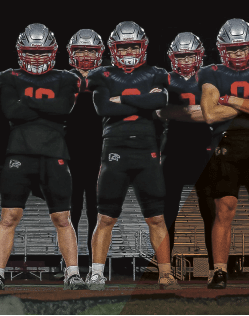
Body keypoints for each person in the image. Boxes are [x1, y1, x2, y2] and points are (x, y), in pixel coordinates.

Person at [0, 23, 85, 291]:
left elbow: (63, 108)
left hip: (54, 154)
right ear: (21, 51)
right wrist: (48, 109)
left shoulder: (66, 77)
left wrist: (27, 103)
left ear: (52, 52)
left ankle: (73, 274)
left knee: (63, 218)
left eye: (42, 52)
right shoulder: (9, 76)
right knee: (8, 217)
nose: (37, 57)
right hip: (19, 153)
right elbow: (10, 110)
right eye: (32, 52)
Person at [86, 21, 180, 290]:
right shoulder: (102, 74)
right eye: (123, 46)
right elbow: (103, 107)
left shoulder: (156, 73)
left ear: (143, 46)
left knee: (157, 217)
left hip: (147, 150)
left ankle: (165, 274)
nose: (128, 50)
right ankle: (96, 274)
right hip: (114, 150)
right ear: (113, 48)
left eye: (133, 45)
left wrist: (123, 99)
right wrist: (141, 98)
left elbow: (160, 101)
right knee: (105, 217)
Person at [197, 18, 249, 289]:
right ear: (221, 49)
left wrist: (228, 98)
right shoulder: (210, 72)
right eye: (232, 49)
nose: (238, 54)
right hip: (224, 142)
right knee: (224, 208)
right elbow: (210, 113)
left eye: (242, 48)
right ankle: (219, 271)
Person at [155, 32, 217, 283]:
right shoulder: (165, 79)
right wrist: (200, 112)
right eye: (181, 55)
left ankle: (217, 268)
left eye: (190, 54)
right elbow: (160, 110)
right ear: (172, 56)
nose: (186, 60)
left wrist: (179, 113)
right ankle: (165, 270)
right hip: (175, 149)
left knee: (210, 210)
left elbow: (218, 113)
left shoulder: (212, 77)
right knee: (167, 211)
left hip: (203, 149)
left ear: (199, 55)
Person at [63, 29, 105, 281]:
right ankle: (71, 268)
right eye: (81, 50)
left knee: (96, 214)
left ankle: (95, 268)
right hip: (70, 151)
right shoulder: (64, 78)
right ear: (72, 53)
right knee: (71, 213)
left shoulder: (108, 76)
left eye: (90, 50)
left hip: (100, 152)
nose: (86, 55)